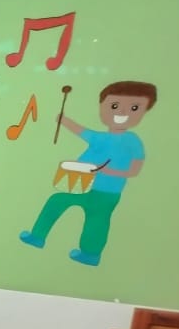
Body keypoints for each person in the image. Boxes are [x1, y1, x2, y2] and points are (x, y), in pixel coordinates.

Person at [20, 80, 157, 267]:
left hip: (107, 192)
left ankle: (90, 253)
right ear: (102, 107)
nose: (122, 112)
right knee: (57, 201)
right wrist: (64, 121)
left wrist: (110, 171)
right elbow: (82, 132)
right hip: (81, 182)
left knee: (97, 220)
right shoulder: (100, 137)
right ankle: (37, 236)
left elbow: (135, 170)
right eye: (114, 106)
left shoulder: (132, 141)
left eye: (134, 108)